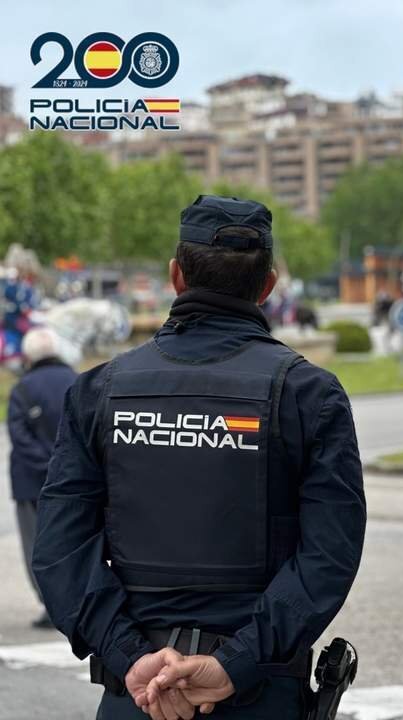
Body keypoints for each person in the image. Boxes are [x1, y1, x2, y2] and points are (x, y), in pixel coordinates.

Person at [33, 195, 366, 720]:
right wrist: (236, 664)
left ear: (176, 277)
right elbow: (330, 554)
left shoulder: (98, 392)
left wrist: (129, 656)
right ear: (268, 285)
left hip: (138, 696)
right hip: (258, 696)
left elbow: (59, 549)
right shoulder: (309, 395)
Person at [7, 326, 77, 628]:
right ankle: (75, 604)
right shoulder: (78, 381)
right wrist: (65, 466)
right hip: (74, 481)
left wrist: (48, 466)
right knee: (72, 543)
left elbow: (20, 437)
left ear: (28, 355)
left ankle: (51, 607)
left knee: (36, 545)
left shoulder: (23, 388)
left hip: (31, 484)